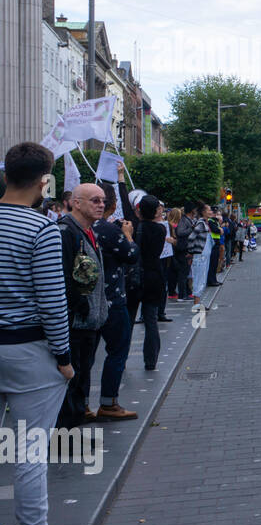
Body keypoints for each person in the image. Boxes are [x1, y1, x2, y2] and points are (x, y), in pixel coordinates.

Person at [0, 142, 86, 525]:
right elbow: (53, 301)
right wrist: (64, 358)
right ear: (43, 181)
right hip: (28, 349)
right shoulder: (41, 228)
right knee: (29, 452)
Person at [57, 182, 110, 429]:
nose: (101, 205)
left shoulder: (89, 232)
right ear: (76, 202)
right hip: (76, 323)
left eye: (102, 200)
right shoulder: (66, 232)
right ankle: (65, 435)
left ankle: (74, 431)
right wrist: (81, 306)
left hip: (90, 322)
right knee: (72, 381)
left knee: (82, 379)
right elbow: (64, 277)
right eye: (95, 200)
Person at [91, 181, 140, 421]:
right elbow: (131, 255)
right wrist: (128, 236)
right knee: (117, 351)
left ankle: (79, 405)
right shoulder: (110, 231)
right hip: (111, 299)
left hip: (85, 302)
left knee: (84, 357)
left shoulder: (74, 227)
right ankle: (109, 403)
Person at [135, 196, 168, 374]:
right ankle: (151, 360)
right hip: (154, 274)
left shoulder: (135, 228)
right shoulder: (160, 229)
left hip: (136, 275)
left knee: (129, 319)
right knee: (151, 320)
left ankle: (121, 358)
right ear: (156, 211)